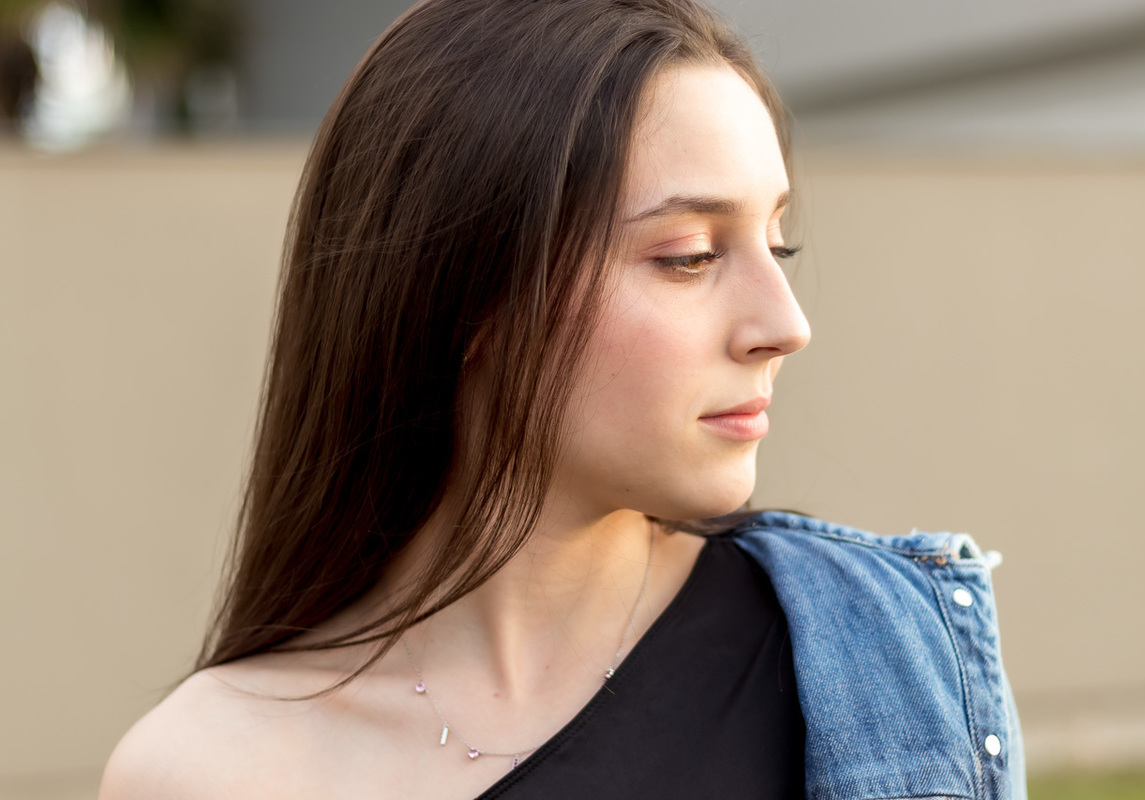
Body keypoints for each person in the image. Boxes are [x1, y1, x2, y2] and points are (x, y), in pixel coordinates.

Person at [100, 0, 1025, 798]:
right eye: (690, 255)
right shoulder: (215, 771)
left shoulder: (895, 654)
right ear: (464, 293)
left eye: (775, 246)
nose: (784, 323)